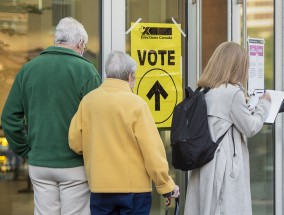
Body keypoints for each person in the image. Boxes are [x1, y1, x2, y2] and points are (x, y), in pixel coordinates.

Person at [1, 17, 101, 215]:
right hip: (75, 164)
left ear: (57, 40)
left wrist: (26, 149)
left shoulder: (28, 69)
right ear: (80, 44)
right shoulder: (86, 70)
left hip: (40, 162)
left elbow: (9, 117)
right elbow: (98, 119)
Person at [69, 50, 180, 214]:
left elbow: (75, 142)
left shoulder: (88, 101)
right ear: (130, 77)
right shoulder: (137, 104)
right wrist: (165, 184)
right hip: (134, 190)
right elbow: (152, 152)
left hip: (100, 188)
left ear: (107, 74)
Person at [183, 41, 271, 215]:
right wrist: (264, 105)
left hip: (205, 166)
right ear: (237, 66)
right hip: (224, 169)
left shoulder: (204, 91)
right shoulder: (232, 93)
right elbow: (251, 127)